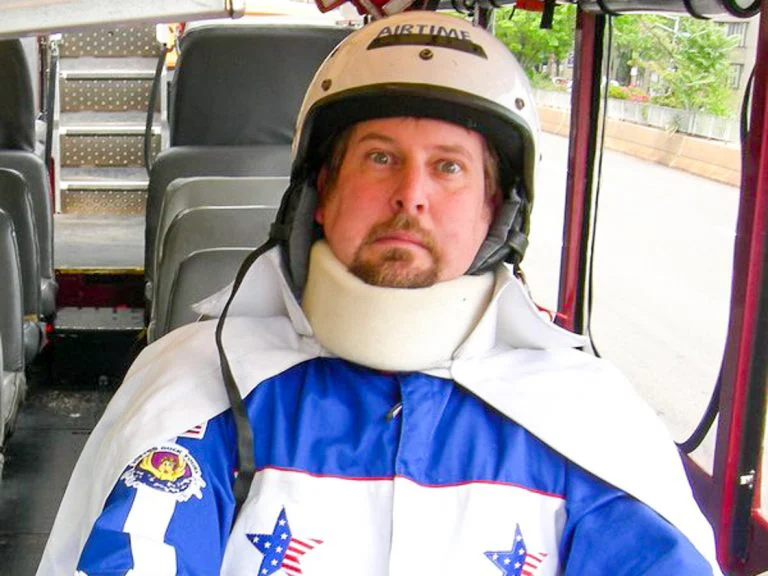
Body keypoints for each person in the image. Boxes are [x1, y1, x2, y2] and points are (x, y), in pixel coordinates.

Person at [39, 10, 722, 576]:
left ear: (496, 210)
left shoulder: (589, 422)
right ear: (322, 192)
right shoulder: (201, 389)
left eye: (448, 167)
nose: (410, 196)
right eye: (380, 157)